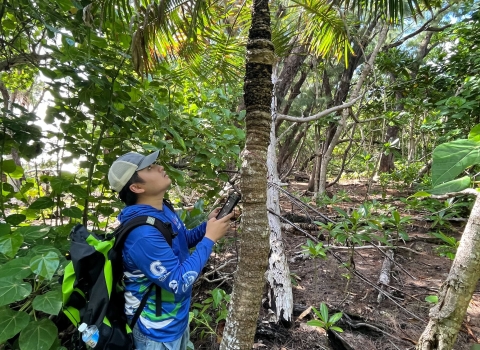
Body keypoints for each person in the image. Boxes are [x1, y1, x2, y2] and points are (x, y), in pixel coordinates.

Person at [108, 150, 233, 350]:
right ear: (136, 187)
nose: (160, 167)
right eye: (149, 168)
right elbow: (179, 281)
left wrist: (207, 226)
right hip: (155, 332)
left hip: (176, 319)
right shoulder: (142, 235)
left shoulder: (162, 209)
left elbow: (183, 241)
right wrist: (210, 238)